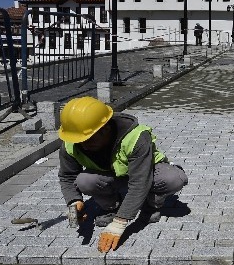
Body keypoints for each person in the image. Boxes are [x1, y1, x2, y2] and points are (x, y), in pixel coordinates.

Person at [57, 96, 188, 253]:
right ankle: (110, 207)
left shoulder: (136, 137)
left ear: (105, 128)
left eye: (88, 139)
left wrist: (120, 223)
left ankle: (151, 205)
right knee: (84, 180)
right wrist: (74, 202)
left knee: (174, 179)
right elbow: (67, 176)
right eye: (80, 140)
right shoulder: (74, 139)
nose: (83, 145)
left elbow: (140, 182)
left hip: (145, 175)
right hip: (110, 177)